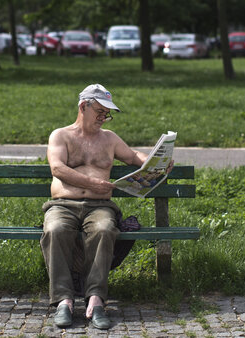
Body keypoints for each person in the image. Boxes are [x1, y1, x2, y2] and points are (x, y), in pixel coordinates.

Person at [41, 83, 166, 330]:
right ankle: (63, 301)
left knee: (105, 229)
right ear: (82, 106)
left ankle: (96, 299)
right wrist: (91, 183)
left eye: (106, 113)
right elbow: (57, 168)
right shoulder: (61, 135)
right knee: (55, 230)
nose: (103, 117)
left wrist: (156, 163)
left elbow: (132, 157)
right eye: (99, 111)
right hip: (63, 204)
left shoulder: (109, 138)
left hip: (100, 205)